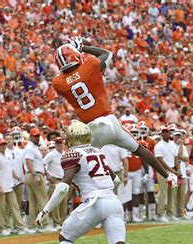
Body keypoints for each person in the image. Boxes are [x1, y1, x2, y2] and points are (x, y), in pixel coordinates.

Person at [36, 121, 159, 244]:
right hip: (112, 200)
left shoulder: (71, 154)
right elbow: (115, 180)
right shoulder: (97, 152)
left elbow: (63, 186)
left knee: (65, 237)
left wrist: (46, 210)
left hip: (94, 201)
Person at [52, 39, 177, 188]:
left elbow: (72, 79)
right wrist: (83, 47)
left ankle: (107, 181)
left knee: (83, 159)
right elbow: (107, 54)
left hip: (92, 129)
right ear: (75, 55)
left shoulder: (58, 83)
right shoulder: (90, 65)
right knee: (139, 149)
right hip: (110, 121)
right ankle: (168, 176)